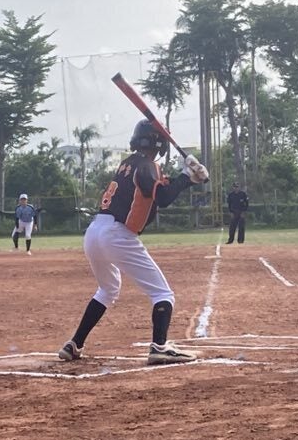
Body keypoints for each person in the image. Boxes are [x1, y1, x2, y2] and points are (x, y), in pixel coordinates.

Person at [58, 119, 209, 365]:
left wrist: (189, 180)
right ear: (159, 144)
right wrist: (185, 176)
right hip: (117, 234)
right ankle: (159, 347)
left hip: (95, 232)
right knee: (162, 293)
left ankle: (74, 344)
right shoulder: (148, 166)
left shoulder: (128, 164)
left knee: (108, 289)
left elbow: (159, 189)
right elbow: (162, 198)